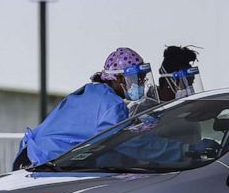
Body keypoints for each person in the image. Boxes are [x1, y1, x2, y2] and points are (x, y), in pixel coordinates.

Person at [14, 47, 150, 168]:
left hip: (29, 155)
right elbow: (116, 144)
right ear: (119, 78)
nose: (141, 84)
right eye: (137, 79)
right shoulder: (113, 105)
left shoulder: (89, 91)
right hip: (47, 162)